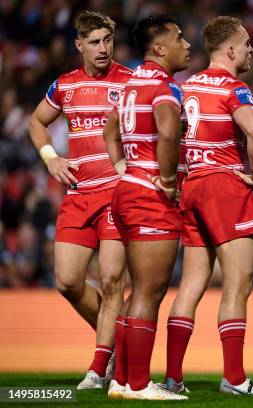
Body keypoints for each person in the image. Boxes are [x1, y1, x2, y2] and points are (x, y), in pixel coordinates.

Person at [161, 16, 253, 396]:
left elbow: (172, 136)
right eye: (246, 44)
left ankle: (173, 378)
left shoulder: (186, 86)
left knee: (191, 285)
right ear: (229, 50)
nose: (250, 50)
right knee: (237, 285)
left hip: (192, 184)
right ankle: (234, 378)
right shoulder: (234, 87)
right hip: (224, 185)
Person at [28, 11, 131, 390]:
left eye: (107, 40)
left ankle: (98, 365)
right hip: (78, 194)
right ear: (79, 45)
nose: (102, 49)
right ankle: (119, 342)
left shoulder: (130, 81)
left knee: (111, 279)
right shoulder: (64, 86)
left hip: (116, 195)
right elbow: (36, 122)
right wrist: (50, 157)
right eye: (94, 42)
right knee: (68, 281)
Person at [102, 14, 190, 400]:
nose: (186, 44)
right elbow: (169, 130)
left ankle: (122, 381)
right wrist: (168, 181)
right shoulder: (163, 85)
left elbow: (109, 130)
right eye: (179, 37)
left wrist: (125, 168)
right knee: (148, 294)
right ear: (159, 47)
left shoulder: (131, 83)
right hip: (150, 196)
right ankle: (139, 384)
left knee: (135, 292)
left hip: (128, 189)